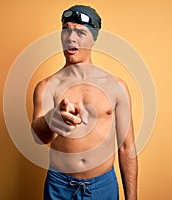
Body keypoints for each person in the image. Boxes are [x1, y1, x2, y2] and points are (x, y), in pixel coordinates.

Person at [31, 5, 138, 200]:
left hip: (103, 187)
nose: (70, 37)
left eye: (80, 32)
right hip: (59, 186)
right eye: (65, 29)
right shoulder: (46, 86)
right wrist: (51, 119)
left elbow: (126, 148)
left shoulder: (116, 86)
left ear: (94, 38)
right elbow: (38, 138)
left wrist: (132, 198)